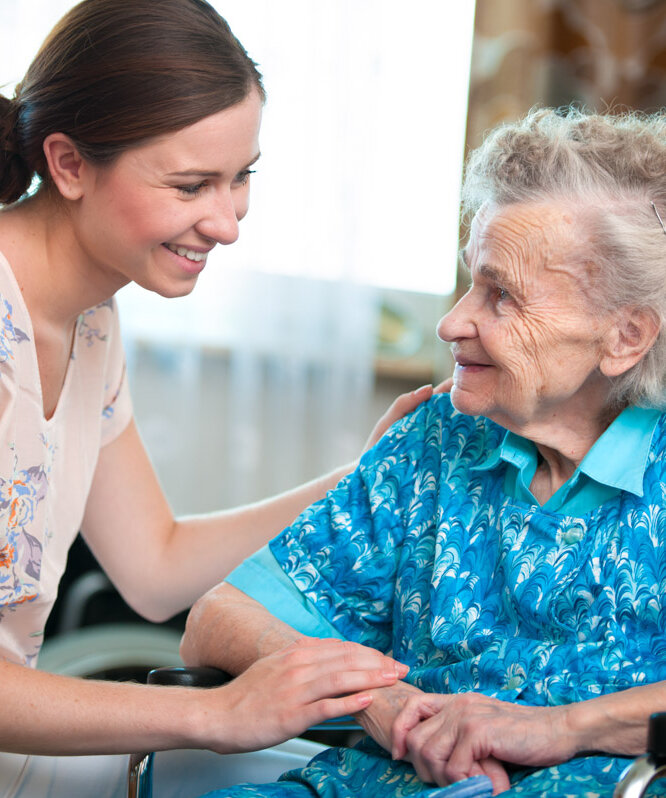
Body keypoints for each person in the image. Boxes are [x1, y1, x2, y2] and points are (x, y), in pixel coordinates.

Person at [0, 0, 437, 794]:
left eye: (242, 178)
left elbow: (156, 566)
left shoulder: (91, 320)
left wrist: (368, 475)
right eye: (191, 184)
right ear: (68, 165)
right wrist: (219, 712)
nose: (228, 222)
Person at [180, 106, 666, 798]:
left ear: (625, 337)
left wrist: (562, 727)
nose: (453, 321)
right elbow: (216, 621)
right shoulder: (439, 437)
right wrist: (382, 702)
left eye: (502, 296)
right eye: (472, 281)